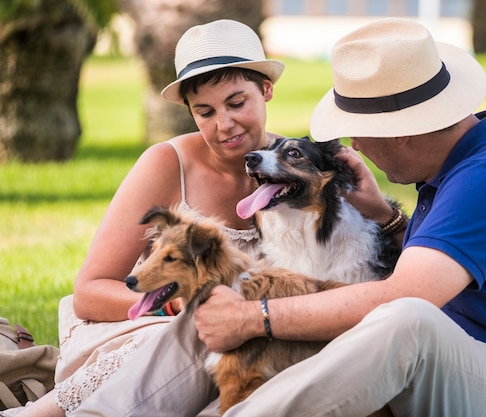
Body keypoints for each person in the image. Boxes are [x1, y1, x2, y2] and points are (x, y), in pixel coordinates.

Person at [71, 17, 486, 417]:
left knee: (405, 320)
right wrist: (384, 217)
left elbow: (406, 297)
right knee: (220, 296)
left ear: (405, 128)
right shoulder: (457, 166)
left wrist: (256, 318)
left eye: (359, 131)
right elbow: (456, 269)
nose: (354, 147)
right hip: (454, 371)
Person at [4, 19, 285, 417]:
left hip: (250, 337)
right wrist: (175, 306)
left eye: (237, 103)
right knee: (195, 333)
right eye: (204, 112)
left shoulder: (298, 168)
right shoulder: (167, 164)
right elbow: (90, 292)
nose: (223, 125)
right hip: (144, 326)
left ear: (267, 89)